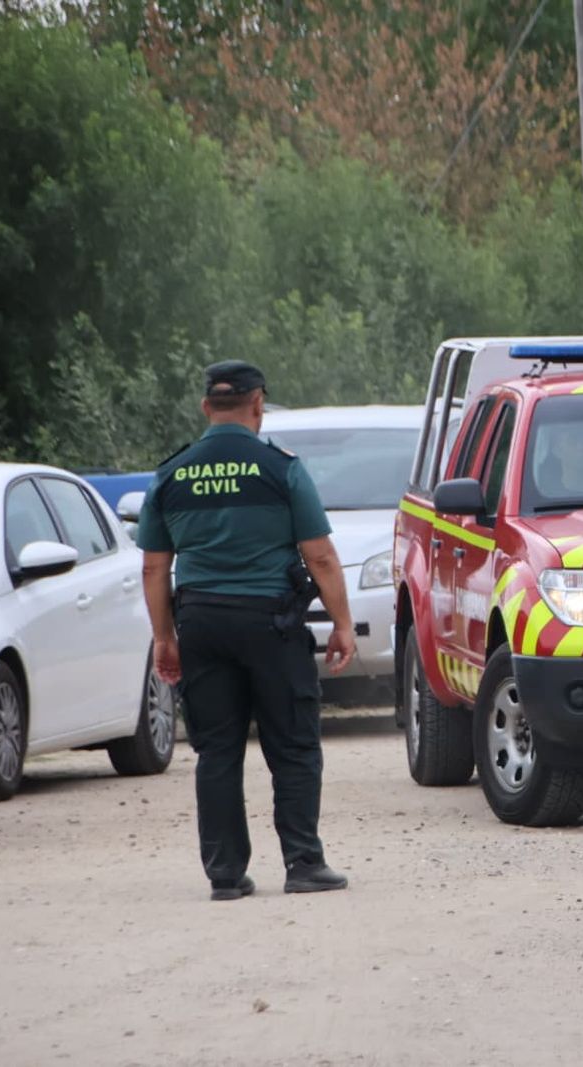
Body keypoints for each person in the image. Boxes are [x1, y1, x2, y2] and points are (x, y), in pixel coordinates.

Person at [137, 361, 357, 901]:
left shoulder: (172, 474)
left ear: (206, 407)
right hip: (271, 624)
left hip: (201, 623)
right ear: (258, 403)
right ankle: (304, 863)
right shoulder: (280, 468)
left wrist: (165, 638)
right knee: (294, 745)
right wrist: (343, 624)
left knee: (217, 751)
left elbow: (153, 568)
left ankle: (225, 875)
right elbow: (321, 557)